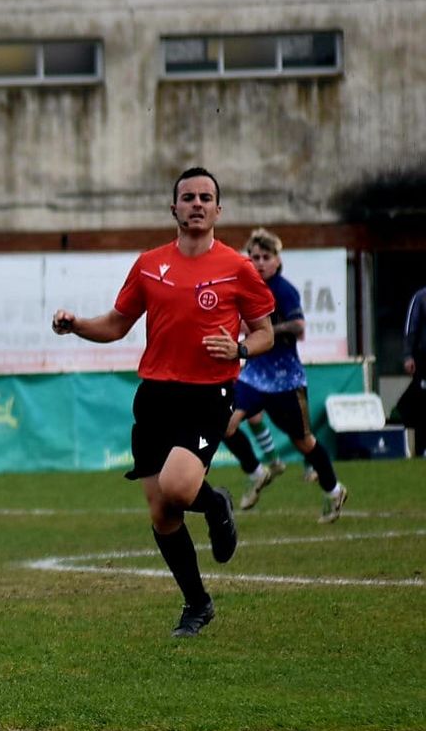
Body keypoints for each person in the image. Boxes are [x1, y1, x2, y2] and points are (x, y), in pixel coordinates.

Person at [52, 167, 275, 637]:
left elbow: (265, 334)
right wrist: (76, 325)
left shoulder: (237, 267)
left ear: (218, 209)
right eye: (188, 197)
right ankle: (197, 604)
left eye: (206, 198)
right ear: (173, 208)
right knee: (162, 513)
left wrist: (239, 349)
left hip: (208, 394)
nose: (197, 204)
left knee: (177, 487)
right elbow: (116, 325)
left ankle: (215, 504)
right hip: (155, 395)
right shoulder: (150, 264)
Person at [218, 229, 347, 520]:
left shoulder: (284, 290)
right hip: (253, 376)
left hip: (285, 381)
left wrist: (265, 331)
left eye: (266, 257)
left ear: (277, 260)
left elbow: (298, 326)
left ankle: (334, 490)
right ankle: (256, 472)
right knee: (224, 425)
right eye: (254, 257)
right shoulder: (246, 288)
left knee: (304, 442)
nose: (260, 263)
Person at [397, 284, 426, 457]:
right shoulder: (421, 297)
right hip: (424, 358)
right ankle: (422, 448)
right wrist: (408, 355)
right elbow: (411, 328)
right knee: (422, 402)